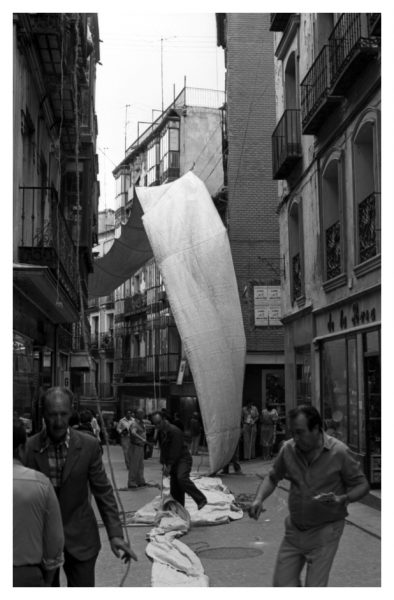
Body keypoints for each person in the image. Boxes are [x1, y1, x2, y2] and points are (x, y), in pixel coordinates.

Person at [24, 387, 137, 587]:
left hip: (81, 537)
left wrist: (115, 534)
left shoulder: (88, 446)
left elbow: (103, 492)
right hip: (40, 542)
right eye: (52, 415)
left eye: (63, 414)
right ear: (43, 413)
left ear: (71, 411)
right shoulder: (29, 449)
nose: (58, 421)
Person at [248, 405, 370, 587]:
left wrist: (344, 498)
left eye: (300, 432)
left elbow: (363, 485)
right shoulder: (288, 449)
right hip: (294, 530)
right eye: (293, 433)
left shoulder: (340, 452)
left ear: (316, 429)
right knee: (282, 584)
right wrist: (259, 499)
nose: (296, 438)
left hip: (325, 533)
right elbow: (273, 477)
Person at [13, 419, 64, 587]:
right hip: (25, 575)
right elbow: (54, 543)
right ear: (21, 449)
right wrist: (47, 581)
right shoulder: (40, 484)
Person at [151, 411, 207, 510]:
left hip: (183, 459)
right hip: (173, 461)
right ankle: (179, 507)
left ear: (164, 419)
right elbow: (163, 449)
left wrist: (169, 466)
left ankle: (201, 499)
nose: (157, 425)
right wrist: (163, 463)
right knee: (175, 485)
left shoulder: (174, 431)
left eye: (159, 422)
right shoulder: (161, 431)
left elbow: (174, 450)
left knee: (181, 478)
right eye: (155, 424)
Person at [127, 408, 147, 488]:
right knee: (134, 465)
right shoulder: (134, 423)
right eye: (140, 413)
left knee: (140, 465)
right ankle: (131, 482)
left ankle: (140, 480)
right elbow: (133, 432)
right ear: (136, 415)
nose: (142, 415)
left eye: (143, 413)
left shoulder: (142, 423)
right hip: (135, 446)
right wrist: (141, 438)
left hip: (140, 447)